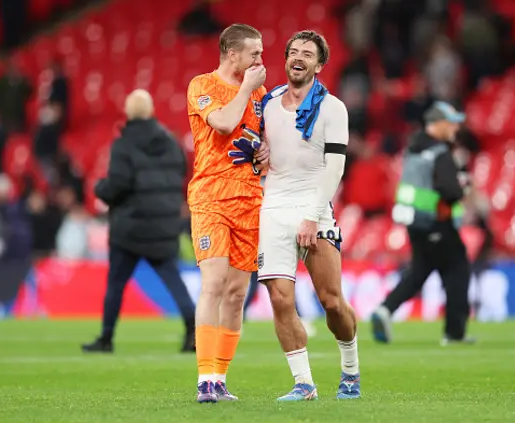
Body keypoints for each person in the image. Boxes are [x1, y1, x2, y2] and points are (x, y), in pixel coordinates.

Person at [259, 30, 360, 401]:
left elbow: (334, 168)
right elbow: (264, 149)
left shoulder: (333, 108)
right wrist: (260, 155)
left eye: (307, 54)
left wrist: (314, 216)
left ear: (319, 65)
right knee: (280, 297)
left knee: (331, 301)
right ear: (285, 59)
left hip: (314, 207)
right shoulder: (268, 103)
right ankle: (304, 384)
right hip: (273, 206)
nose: (298, 57)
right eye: (294, 52)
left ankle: (350, 369)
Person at [186, 23, 269, 403]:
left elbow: (261, 142)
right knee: (214, 284)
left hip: (249, 199)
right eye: (254, 53)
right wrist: (247, 89)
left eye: (261, 53)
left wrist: (267, 153)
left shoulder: (262, 94)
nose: (260, 61)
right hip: (210, 198)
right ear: (231, 54)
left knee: (237, 294)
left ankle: (220, 377)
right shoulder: (202, 86)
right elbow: (223, 123)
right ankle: (204, 379)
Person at [82, 89, 196, 354]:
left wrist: (100, 189)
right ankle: (193, 330)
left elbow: (118, 184)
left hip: (130, 228)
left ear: (129, 112)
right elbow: (181, 174)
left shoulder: (124, 143)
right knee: (173, 280)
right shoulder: (170, 143)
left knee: (116, 284)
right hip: (163, 225)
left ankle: (106, 337)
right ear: (151, 110)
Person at [371, 101, 474, 346]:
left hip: (415, 222)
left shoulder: (413, 149)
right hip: (438, 222)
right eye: (450, 123)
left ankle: (385, 309)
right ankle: (454, 333)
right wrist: (463, 185)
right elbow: (449, 191)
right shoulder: (440, 153)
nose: (455, 127)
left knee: (419, 271)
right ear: (436, 124)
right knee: (457, 270)